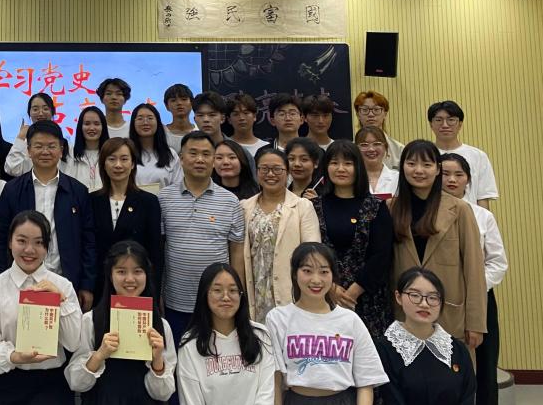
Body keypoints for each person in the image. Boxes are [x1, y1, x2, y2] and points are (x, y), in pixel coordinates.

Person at [265, 242, 388, 405]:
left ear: (333, 276)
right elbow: (275, 380)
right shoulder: (278, 318)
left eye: (324, 272)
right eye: (307, 271)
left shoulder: (350, 320)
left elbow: (366, 381)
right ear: (294, 274)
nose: (316, 280)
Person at [0, 210, 82, 405]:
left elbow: (73, 343)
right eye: (22, 241)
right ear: (10, 242)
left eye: (39, 243)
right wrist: (14, 356)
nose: (29, 250)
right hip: (5, 382)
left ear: (47, 247)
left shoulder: (62, 285)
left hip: (51, 384)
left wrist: (60, 300)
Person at [388, 140, 486, 348]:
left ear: (438, 169)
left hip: (449, 313)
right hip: (404, 313)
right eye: (411, 163)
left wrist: (476, 322)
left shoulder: (460, 209)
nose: (419, 170)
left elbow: (474, 269)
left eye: (427, 164)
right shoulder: (391, 208)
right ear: (402, 167)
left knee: (452, 367)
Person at [0, 120, 96, 312]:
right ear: (29, 151)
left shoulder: (78, 191)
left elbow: (89, 240)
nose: (45, 151)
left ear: (61, 150)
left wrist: (87, 285)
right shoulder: (12, 190)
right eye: (38, 146)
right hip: (20, 281)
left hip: (65, 280)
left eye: (51, 146)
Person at [65, 240, 175, 405]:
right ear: (110, 275)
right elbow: (76, 383)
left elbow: (164, 394)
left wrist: (157, 361)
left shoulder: (161, 326)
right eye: (121, 271)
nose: (130, 279)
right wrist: (99, 355)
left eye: (137, 271)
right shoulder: (90, 321)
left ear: (147, 275)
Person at [157, 131, 245, 348]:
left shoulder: (230, 201)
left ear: (214, 159)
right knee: (178, 355)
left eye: (206, 154)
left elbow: (236, 252)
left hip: (217, 301)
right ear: (181, 158)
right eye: (193, 153)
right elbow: (158, 248)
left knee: (215, 356)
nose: (199, 159)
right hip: (176, 300)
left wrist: (238, 294)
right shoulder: (163, 198)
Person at [440, 152, 507, 405]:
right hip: (440, 302)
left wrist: (473, 289)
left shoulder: (482, 216)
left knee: (485, 365)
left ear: (468, 180)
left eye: (459, 174)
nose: (452, 179)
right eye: (445, 174)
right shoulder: (429, 214)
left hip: (479, 299)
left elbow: (497, 263)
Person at [311, 140, 394, 337]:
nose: (341, 168)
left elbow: (382, 255)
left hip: (368, 298)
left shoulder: (375, 206)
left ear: (358, 167)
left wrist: (353, 292)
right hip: (323, 293)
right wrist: (330, 287)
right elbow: (309, 251)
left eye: (348, 163)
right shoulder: (313, 206)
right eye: (334, 163)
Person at [375, 267, 476, 405]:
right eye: (415, 295)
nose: (424, 304)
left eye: (433, 298)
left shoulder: (457, 350)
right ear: (398, 297)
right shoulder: (384, 349)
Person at [177, 263, 275, 405]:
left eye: (233, 290)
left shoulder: (261, 336)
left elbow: (265, 400)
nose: (226, 297)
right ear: (205, 294)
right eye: (217, 290)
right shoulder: (190, 344)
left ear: (241, 295)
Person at [241, 148, 320, 322]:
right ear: (256, 172)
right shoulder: (245, 207)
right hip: (255, 291)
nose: (271, 174)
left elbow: (312, 254)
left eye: (277, 169)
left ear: (288, 172)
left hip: (290, 291)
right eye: (264, 169)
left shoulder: (302, 206)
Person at [89, 138, 162, 299]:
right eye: (112, 159)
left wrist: (154, 292)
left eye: (124, 159)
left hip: (135, 286)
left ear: (133, 163)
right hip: (99, 286)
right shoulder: (92, 201)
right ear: (103, 164)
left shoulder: (148, 202)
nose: (118, 165)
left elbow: (155, 252)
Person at [428, 100, 499, 208]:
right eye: (438, 120)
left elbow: (482, 197)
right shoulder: (425, 155)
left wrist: (483, 219)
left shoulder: (478, 156)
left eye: (451, 120)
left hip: (469, 214)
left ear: (460, 124)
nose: (445, 125)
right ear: (431, 124)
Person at [5, 93, 66, 176]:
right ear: (29, 113)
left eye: (45, 109)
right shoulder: (24, 143)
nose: (40, 113)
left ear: (52, 112)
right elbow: (11, 168)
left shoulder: (64, 144)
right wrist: (21, 137)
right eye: (35, 109)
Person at [128, 103, 182, 190]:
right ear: (133, 123)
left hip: (164, 199)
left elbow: (178, 186)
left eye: (150, 118)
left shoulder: (170, 154)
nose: (145, 122)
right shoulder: (126, 152)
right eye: (140, 118)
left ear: (158, 122)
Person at [62, 105, 109, 193]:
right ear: (80, 127)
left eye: (96, 124)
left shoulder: (111, 155)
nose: (92, 128)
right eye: (87, 124)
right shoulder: (70, 155)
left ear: (103, 127)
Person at [353, 91, 403, 169]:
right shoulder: (349, 150)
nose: (371, 114)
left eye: (376, 109)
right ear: (358, 114)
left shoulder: (399, 150)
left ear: (385, 114)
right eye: (365, 110)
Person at [356, 126, 398, 198]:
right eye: (364, 145)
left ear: (385, 147)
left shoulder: (398, 178)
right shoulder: (351, 178)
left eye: (376, 144)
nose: (371, 149)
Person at [227, 93, 267, 159]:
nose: (241, 118)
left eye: (246, 113)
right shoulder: (223, 146)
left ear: (254, 116)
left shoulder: (266, 147)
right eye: (236, 114)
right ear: (229, 120)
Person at [163, 83, 196, 152]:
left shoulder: (200, 130)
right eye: (173, 100)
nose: (179, 103)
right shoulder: (161, 133)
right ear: (167, 106)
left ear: (192, 103)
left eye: (184, 99)